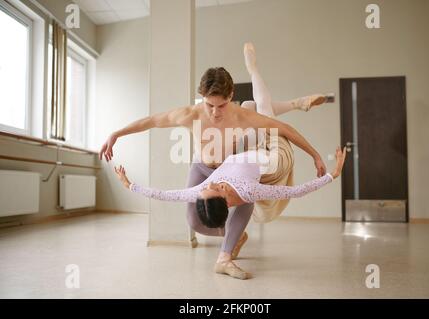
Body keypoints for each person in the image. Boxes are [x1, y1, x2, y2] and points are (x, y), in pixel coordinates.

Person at [112, 43, 341, 279]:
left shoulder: (240, 115)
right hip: (202, 168)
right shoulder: (190, 114)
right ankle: (236, 236)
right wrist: (116, 135)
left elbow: (284, 129)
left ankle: (225, 257)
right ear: (202, 98)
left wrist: (314, 154)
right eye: (209, 105)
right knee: (194, 221)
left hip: (232, 170)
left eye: (221, 105)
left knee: (248, 187)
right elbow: (151, 121)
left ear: (230, 96)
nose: (215, 112)